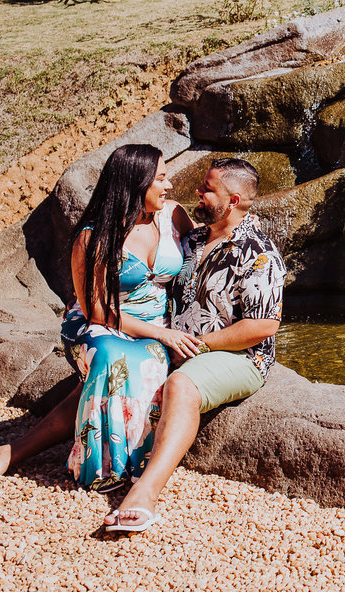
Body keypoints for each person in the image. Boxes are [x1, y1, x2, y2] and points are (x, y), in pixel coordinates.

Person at [0, 144, 203, 495]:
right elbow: (97, 311)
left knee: (124, 366)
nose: (168, 185)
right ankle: (104, 469)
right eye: (160, 178)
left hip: (156, 326)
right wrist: (163, 335)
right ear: (135, 182)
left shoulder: (173, 215)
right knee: (111, 357)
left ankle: (11, 453)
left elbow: (205, 248)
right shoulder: (93, 236)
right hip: (100, 325)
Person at [103, 156, 285, 532]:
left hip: (239, 356)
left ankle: (144, 494)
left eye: (208, 188)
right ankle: (15, 451)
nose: (198, 192)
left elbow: (264, 325)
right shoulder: (194, 239)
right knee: (113, 368)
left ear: (233, 201)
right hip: (178, 344)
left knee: (181, 385)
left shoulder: (259, 253)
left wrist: (199, 345)